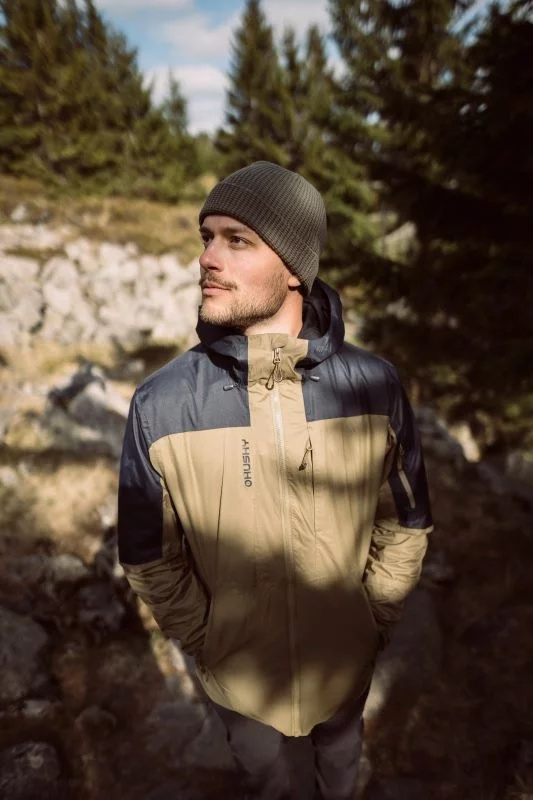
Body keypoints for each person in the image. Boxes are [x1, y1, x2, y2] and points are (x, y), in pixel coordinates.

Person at [117, 161, 433, 800]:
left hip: (344, 667)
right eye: (207, 237)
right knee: (270, 784)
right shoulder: (161, 403)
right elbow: (149, 555)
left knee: (340, 770)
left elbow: (404, 522)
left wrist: (370, 620)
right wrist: (207, 639)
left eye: (237, 240)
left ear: (294, 267)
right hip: (240, 685)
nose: (208, 258)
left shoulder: (374, 386)